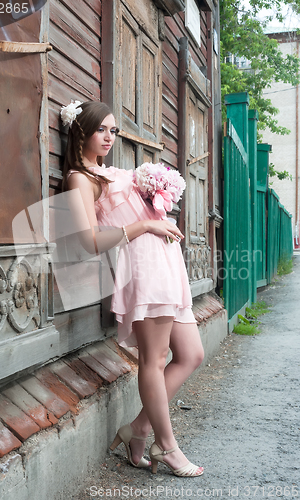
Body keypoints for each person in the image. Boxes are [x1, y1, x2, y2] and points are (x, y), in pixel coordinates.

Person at [61, 99, 204, 477]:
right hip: (141, 268)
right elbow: (88, 240)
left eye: (113, 130)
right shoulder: (81, 177)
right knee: (154, 360)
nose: (109, 137)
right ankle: (167, 446)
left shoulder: (113, 171)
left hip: (166, 263)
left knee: (191, 354)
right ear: (82, 132)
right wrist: (146, 226)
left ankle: (138, 430)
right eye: (101, 130)